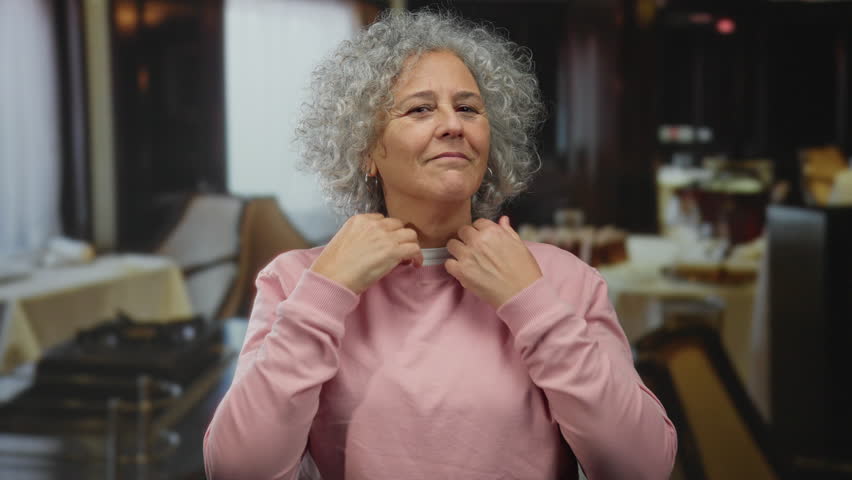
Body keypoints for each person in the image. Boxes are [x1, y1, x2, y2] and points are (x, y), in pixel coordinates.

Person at [204, 9, 677, 480]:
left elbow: (643, 467)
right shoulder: (296, 283)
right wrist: (325, 294)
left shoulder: (563, 280)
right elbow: (237, 469)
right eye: (420, 108)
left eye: (469, 108)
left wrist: (534, 307)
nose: (454, 125)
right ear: (367, 150)